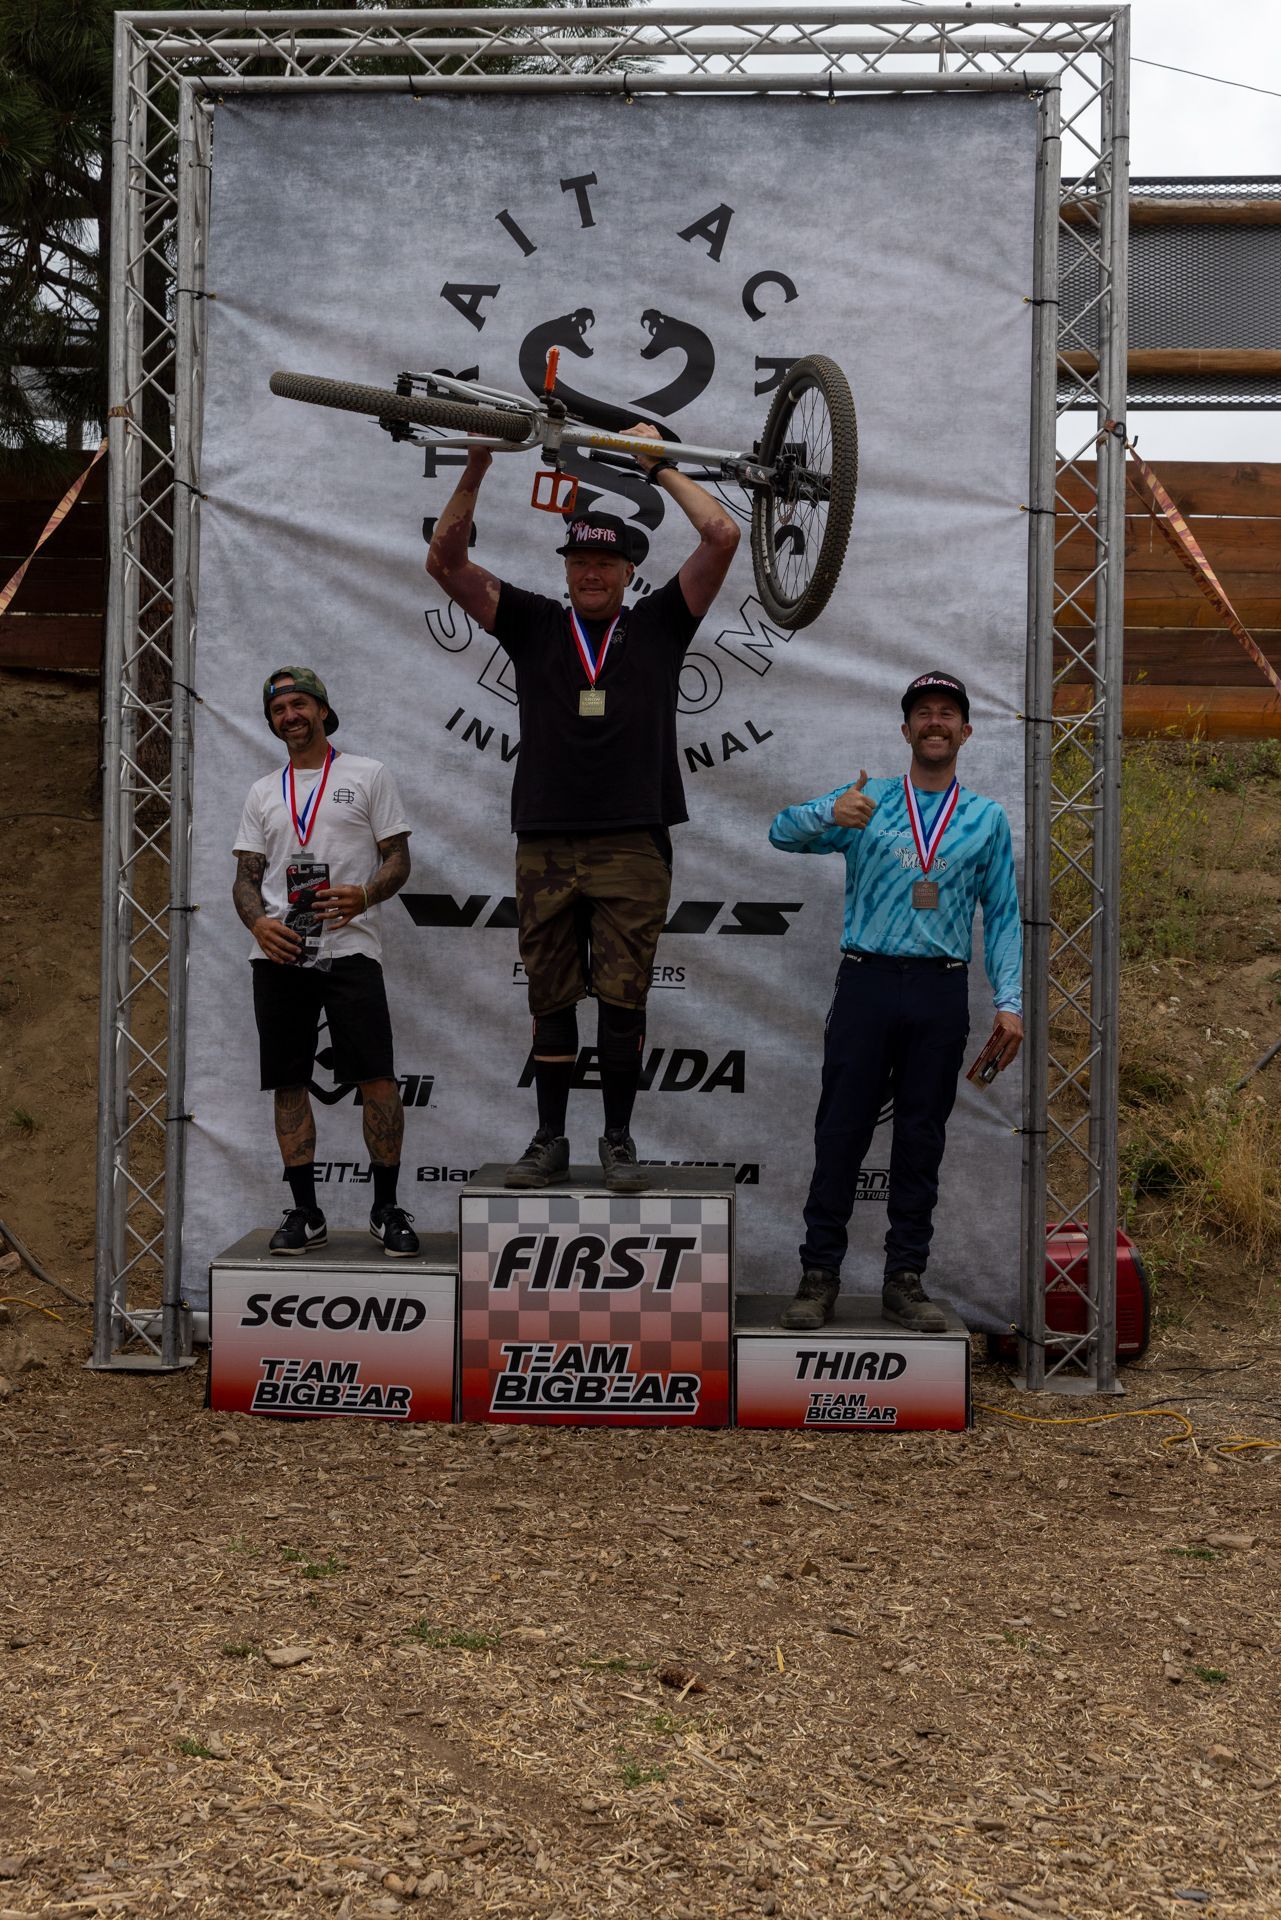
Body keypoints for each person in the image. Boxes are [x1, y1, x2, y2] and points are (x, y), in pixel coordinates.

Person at [425, 433, 739, 1192]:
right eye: (579, 562)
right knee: (551, 994)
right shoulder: (533, 622)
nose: (591, 572)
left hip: (634, 839)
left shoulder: (662, 623)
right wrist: (474, 465)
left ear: (630, 573)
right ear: (564, 571)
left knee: (623, 997)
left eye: (605, 562)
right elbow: (446, 563)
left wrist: (656, 466)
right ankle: (549, 1138)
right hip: (546, 839)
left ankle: (620, 1141)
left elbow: (722, 534)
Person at [768, 671, 1023, 1331]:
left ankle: (904, 1278)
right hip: (867, 981)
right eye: (922, 713)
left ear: (964, 732)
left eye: (947, 714)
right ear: (904, 729)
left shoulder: (987, 818)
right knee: (840, 1131)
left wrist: (1011, 1001)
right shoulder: (869, 800)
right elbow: (780, 833)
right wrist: (829, 813)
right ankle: (818, 1275)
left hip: (940, 988)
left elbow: (1000, 917)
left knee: (921, 1137)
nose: (934, 722)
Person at [232, 667, 420, 1256]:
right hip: (282, 953)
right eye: (279, 708)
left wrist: (365, 894)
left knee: (379, 1081)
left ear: (322, 709)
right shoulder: (263, 790)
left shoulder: (368, 774)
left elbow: (397, 859)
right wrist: (258, 923)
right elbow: (245, 878)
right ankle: (307, 1212)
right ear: (272, 721)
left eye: (300, 704)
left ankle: (385, 1208)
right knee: (289, 1083)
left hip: (351, 948)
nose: (290, 715)